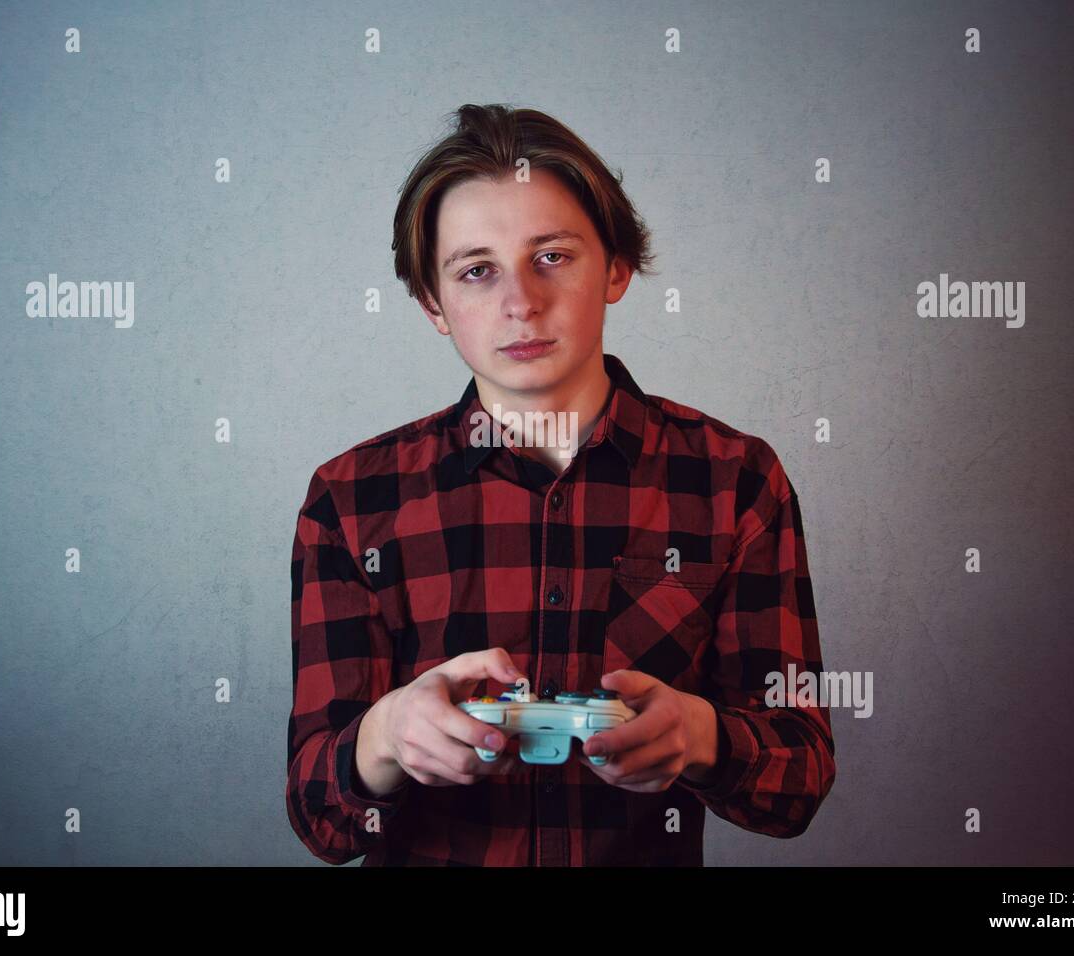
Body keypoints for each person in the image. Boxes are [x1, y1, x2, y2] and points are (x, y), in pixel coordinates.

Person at [286, 104, 835, 866]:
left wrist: (700, 735)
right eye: (476, 271)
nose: (521, 302)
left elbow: (798, 781)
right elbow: (320, 823)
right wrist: (384, 738)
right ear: (432, 306)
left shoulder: (737, 481)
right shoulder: (349, 501)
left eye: (551, 257)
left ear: (615, 268)